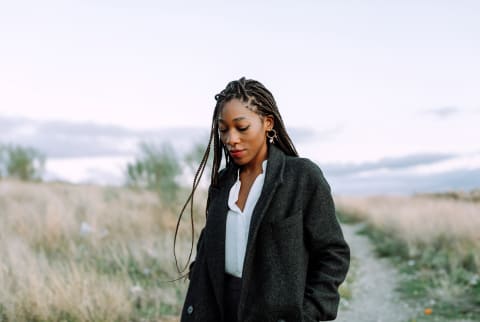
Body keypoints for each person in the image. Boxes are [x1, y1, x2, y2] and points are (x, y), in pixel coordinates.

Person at [175, 77, 350, 322]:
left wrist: (308, 312)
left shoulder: (301, 178)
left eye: (242, 127)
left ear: (268, 123)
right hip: (218, 311)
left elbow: (333, 253)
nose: (231, 139)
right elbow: (208, 249)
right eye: (223, 129)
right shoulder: (223, 183)